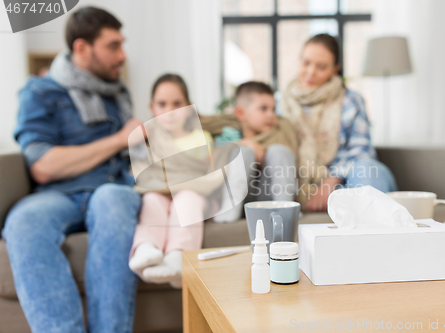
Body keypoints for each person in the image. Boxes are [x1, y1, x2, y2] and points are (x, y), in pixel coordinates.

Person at [1, 7, 142, 333]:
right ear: (81, 48)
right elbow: (43, 166)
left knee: (114, 201)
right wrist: (120, 138)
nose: (122, 56)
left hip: (111, 187)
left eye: (122, 45)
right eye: (112, 46)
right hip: (58, 193)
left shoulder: (117, 92)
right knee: (23, 221)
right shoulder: (39, 92)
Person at [280, 33, 398, 212]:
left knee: (369, 169)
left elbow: (361, 151)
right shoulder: (279, 103)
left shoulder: (351, 101)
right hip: (296, 185)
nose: (311, 72)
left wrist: (331, 181)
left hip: (345, 184)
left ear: (335, 69)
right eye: (306, 63)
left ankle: (374, 232)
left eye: (321, 67)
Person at [128, 74, 216, 286]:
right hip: (160, 194)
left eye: (177, 104)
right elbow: (141, 173)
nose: (170, 111)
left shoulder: (200, 138)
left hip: (194, 194)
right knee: (150, 200)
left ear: (188, 107)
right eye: (162, 104)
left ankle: (178, 256)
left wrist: (177, 180)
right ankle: (146, 247)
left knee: (186, 199)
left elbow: (206, 174)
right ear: (152, 108)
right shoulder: (148, 139)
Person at [202, 81, 298, 222]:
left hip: (267, 196)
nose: (271, 115)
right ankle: (229, 213)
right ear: (241, 113)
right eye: (263, 109)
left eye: (273, 109)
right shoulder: (228, 135)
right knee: (243, 152)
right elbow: (212, 158)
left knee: (279, 151)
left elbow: (287, 161)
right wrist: (245, 143)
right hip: (236, 196)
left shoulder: (279, 134)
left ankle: (286, 210)